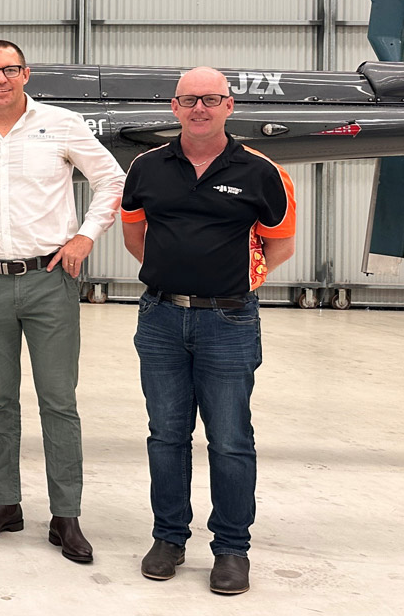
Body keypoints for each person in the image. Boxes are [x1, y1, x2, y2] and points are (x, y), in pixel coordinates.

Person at [0, 40, 124, 564]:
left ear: (26, 74)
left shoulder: (60, 123)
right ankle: (4, 503)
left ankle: (66, 515)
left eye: (9, 69)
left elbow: (111, 180)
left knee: (59, 402)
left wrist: (85, 236)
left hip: (49, 279)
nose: (0, 79)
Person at [121, 66, 296, 596]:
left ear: (229, 106)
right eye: (189, 99)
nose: (200, 108)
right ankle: (169, 537)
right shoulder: (146, 167)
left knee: (230, 439)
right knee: (166, 436)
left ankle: (231, 549)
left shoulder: (262, 171)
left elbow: (280, 245)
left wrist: (230, 281)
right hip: (161, 318)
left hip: (230, 321)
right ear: (174, 107)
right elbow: (135, 236)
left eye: (211, 99)